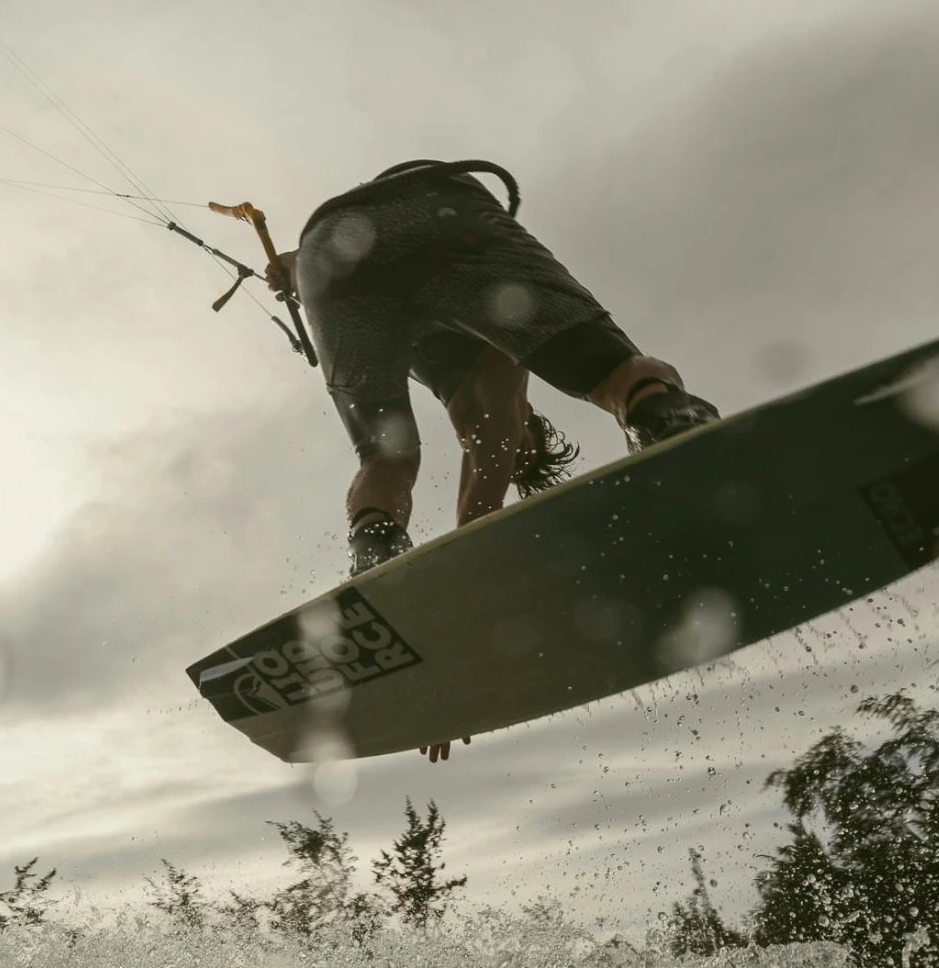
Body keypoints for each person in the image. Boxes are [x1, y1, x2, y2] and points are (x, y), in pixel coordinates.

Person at [264, 160, 719, 760]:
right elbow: (476, 535)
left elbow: (367, 247)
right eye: (523, 452)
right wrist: (454, 659)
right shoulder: (502, 402)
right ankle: (668, 424)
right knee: (609, 373)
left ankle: (374, 553)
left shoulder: (472, 403)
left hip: (330, 246)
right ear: (531, 430)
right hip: (444, 212)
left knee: (384, 459)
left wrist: (299, 268)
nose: (505, 458)